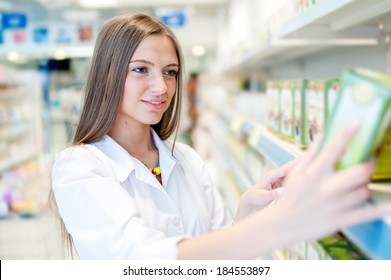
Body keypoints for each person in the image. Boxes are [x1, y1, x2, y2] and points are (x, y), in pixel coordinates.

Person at [50, 13, 391, 260]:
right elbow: (138, 259)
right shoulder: (79, 167)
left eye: (170, 73)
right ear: (106, 76)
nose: (161, 87)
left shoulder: (186, 159)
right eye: (141, 70)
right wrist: (282, 224)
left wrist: (246, 214)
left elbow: (217, 256)